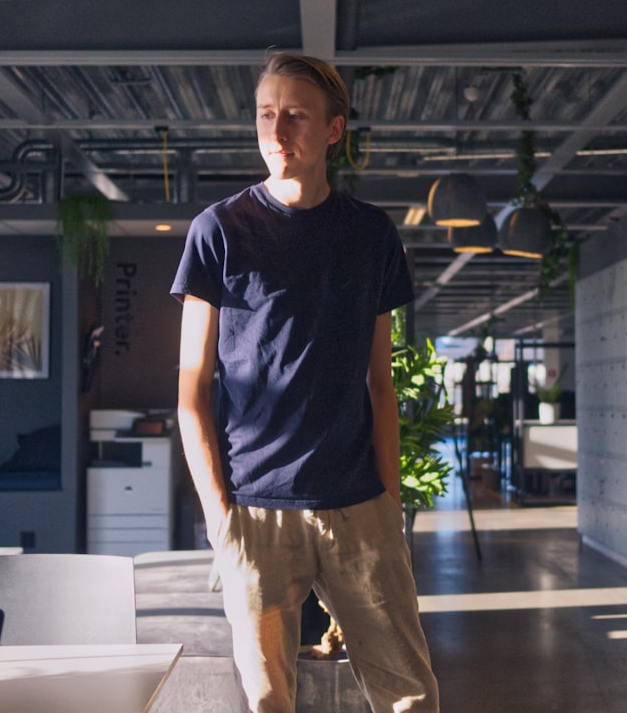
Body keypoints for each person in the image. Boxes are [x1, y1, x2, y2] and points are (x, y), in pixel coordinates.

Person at [170, 52, 440, 713]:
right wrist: (218, 516)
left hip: (359, 507)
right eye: (267, 114)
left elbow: (381, 382)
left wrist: (388, 507)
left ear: (332, 131)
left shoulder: (372, 234)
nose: (278, 129)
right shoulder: (219, 232)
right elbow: (191, 389)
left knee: (411, 696)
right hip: (256, 512)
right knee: (268, 702)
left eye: (295, 115)